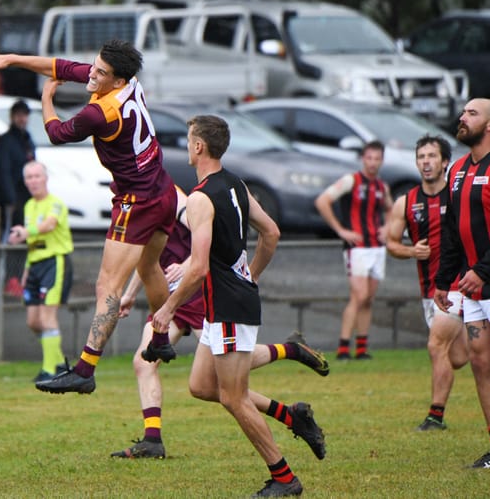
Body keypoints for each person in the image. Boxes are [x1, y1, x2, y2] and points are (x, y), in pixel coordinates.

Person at [0, 40, 176, 395]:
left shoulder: (101, 112)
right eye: (93, 68)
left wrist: (46, 99)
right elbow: (63, 67)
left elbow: (56, 132)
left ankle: (85, 369)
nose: (91, 75)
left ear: (117, 79)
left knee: (106, 287)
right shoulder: (126, 83)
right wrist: (12, 59)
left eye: (100, 73)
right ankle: (160, 336)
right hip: (163, 190)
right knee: (150, 268)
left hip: (136, 201)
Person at [150, 115, 313, 497]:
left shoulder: (201, 199)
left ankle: (285, 478)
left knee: (234, 399)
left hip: (226, 305)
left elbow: (198, 267)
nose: (188, 146)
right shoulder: (236, 184)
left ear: (198, 147)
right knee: (201, 386)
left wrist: (168, 308)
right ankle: (292, 413)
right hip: (226, 304)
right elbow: (270, 232)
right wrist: (251, 273)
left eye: (189, 140)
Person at [114, 184, 329, 460]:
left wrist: (188, 263)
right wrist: (130, 294)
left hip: (196, 290)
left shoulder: (172, 194)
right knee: (146, 363)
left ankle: (291, 356)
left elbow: (209, 236)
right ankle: (152, 439)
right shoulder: (134, 197)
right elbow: (147, 256)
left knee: (223, 374)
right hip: (170, 299)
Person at [434, 98, 490, 469]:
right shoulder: (457, 170)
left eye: (472, 113)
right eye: (463, 112)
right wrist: (442, 279)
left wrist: (483, 269)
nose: (462, 118)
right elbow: (451, 232)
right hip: (473, 285)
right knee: (481, 363)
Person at [385, 134, 468, 431]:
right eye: (421, 157)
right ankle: (487, 339)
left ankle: (435, 416)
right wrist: (411, 250)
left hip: (458, 284)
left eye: (432, 156)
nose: (426, 162)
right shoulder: (405, 202)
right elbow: (391, 244)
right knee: (457, 357)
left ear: (445, 162)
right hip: (428, 289)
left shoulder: (458, 196)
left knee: (436, 346)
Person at [314, 140, 393, 360]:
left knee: (368, 299)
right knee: (359, 296)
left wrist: (387, 227)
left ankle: (361, 348)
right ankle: (343, 347)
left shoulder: (381, 187)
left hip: (376, 247)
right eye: (369, 158)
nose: (373, 163)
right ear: (362, 159)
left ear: (382, 161)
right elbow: (322, 201)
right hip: (356, 247)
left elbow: (391, 209)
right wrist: (341, 230)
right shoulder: (351, 181)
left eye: (377, 159)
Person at [6, 160, 73, 381]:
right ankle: (58, 362)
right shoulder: (28, 206)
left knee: (47, 317)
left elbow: (49, 225)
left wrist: (26, 231)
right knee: (33, 321)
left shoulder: (55, 204)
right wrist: (26, 269)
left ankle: (49, 370)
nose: (33, 181)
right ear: (25, 182)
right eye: (29, 178)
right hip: (34, 265)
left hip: (54, 263)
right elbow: (31, 240)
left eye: (37, 176)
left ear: (45, 178)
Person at [0, 99, 35, 296]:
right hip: (12, 201)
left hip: (27, 199)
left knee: (25, 239)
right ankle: (11, 279)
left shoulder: (27, 139)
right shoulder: (6, 141)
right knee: (12, 239)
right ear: (12, 117)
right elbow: (2, 172)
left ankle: (19, 279)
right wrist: (9, 200)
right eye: (19, 115)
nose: (22, 119)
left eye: (25, 115)